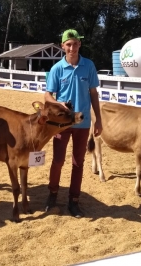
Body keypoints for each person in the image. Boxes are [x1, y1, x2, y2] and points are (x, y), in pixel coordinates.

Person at [44, 29, 102, 218]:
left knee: (78, 163)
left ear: (80, 45)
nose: (72, 47)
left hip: (82, 123)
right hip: (61, 123)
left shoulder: (89, 65)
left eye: (75, 43)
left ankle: (74, 201)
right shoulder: (57, 69)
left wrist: (98, 120)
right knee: (58, 161)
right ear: (62, 46)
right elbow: (47, 95)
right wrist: (56, 103)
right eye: (68, 44)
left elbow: (94, 94)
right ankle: (52, 195)